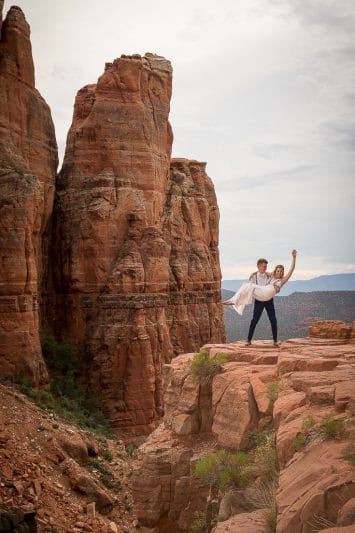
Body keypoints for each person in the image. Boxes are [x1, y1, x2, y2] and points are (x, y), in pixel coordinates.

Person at [223, 250, 297, 346]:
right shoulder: (271, 275)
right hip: (260, 298)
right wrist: (254, 273)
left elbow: (291, 270)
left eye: (281, 271)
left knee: (273, 320)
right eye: (278, 270)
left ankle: (275, 341)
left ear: (283, 272)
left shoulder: (282, 280)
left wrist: (294, 257)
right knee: (254, 319)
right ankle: (248, 340)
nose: (279, 272)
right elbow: (261, 270)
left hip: (268, 299)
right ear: (275, 271)